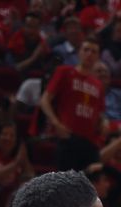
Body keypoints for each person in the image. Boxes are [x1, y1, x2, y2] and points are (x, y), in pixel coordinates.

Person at [40, 37, 105, 171]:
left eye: (94, 51)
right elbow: (45, 100)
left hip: (89, 142)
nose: (89, 54)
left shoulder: (98, 84)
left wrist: (105, 123)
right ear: (79, 52)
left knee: (89, 186)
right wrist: (56, 123)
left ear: (98, 57)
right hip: (68, 137)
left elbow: (99, 113)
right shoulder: (64, 72)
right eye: (86, 50)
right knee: (65, 185)